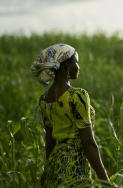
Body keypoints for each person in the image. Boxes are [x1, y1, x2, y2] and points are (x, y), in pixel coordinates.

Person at [31, 43, 110, 187]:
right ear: (67, 65)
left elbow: (50, 140)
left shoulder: (44, 100)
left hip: (54, 167)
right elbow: (89, 144)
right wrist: (105, 181)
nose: (78, 67)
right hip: (75, 168)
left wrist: (46, 171)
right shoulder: (77, 96)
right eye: (76, 62)